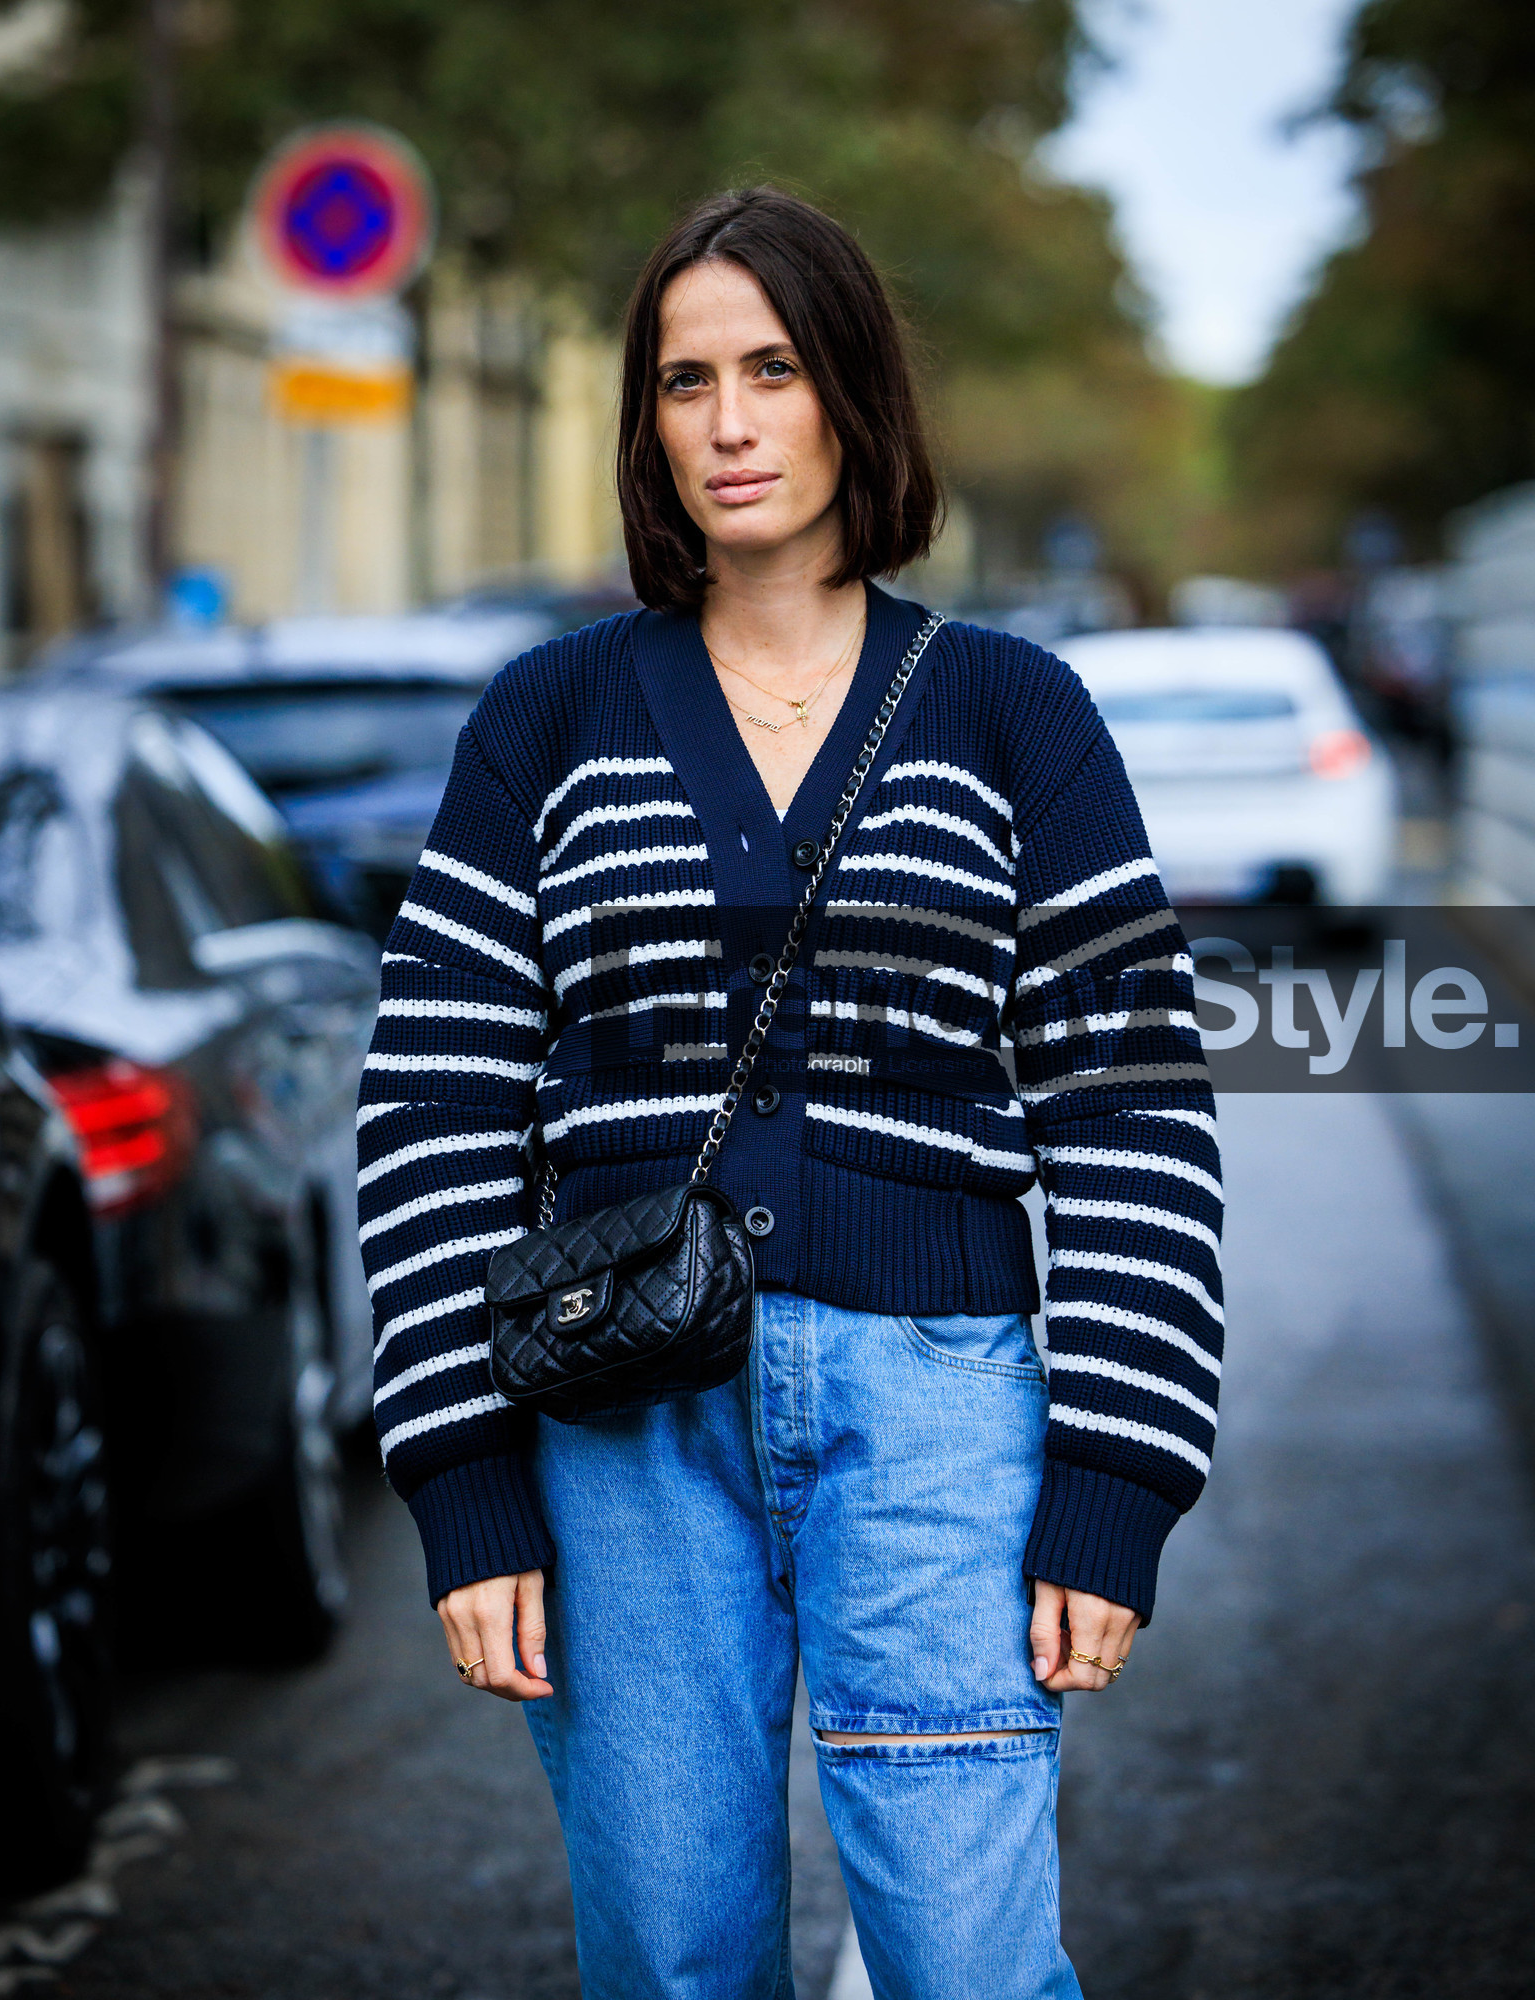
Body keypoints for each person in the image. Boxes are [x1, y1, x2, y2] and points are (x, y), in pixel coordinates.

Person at [357, 187, 1223, 2000]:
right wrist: (461, 1480)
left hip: (940, 1421)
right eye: (685, 381)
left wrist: (1117, 1479)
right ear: (646, 422)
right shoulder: (549, 717)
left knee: (973, 1965)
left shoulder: (1010, 712)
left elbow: (1132, 1110)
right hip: (619, 1437)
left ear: (854, 396)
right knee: (674, 1964)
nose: (731, 423)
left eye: (773, 367)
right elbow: (434, 1107)